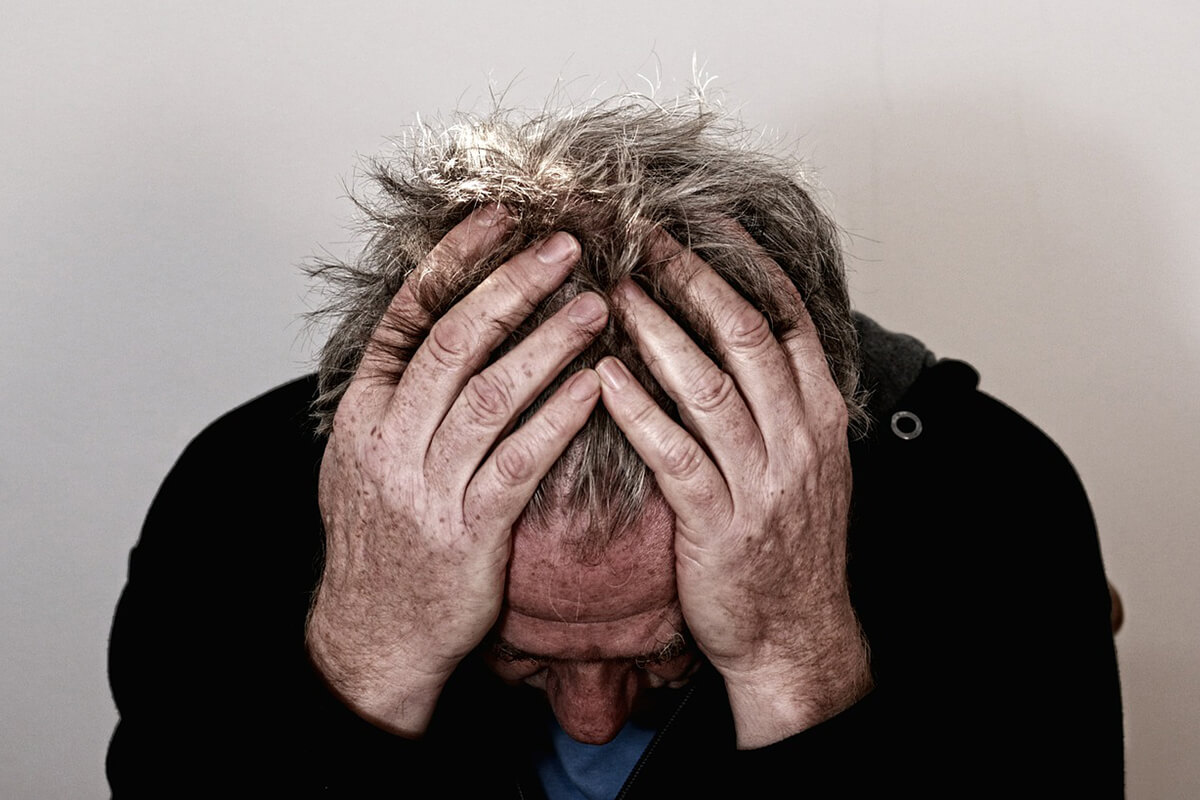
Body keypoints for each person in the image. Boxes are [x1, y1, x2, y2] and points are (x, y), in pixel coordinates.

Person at [107, 97, 1124, 797]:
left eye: (669, 649)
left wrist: (793, 663)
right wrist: (369, 663)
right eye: (521, 653)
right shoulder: (236, 499)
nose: (593, 719)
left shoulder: (996, 503)